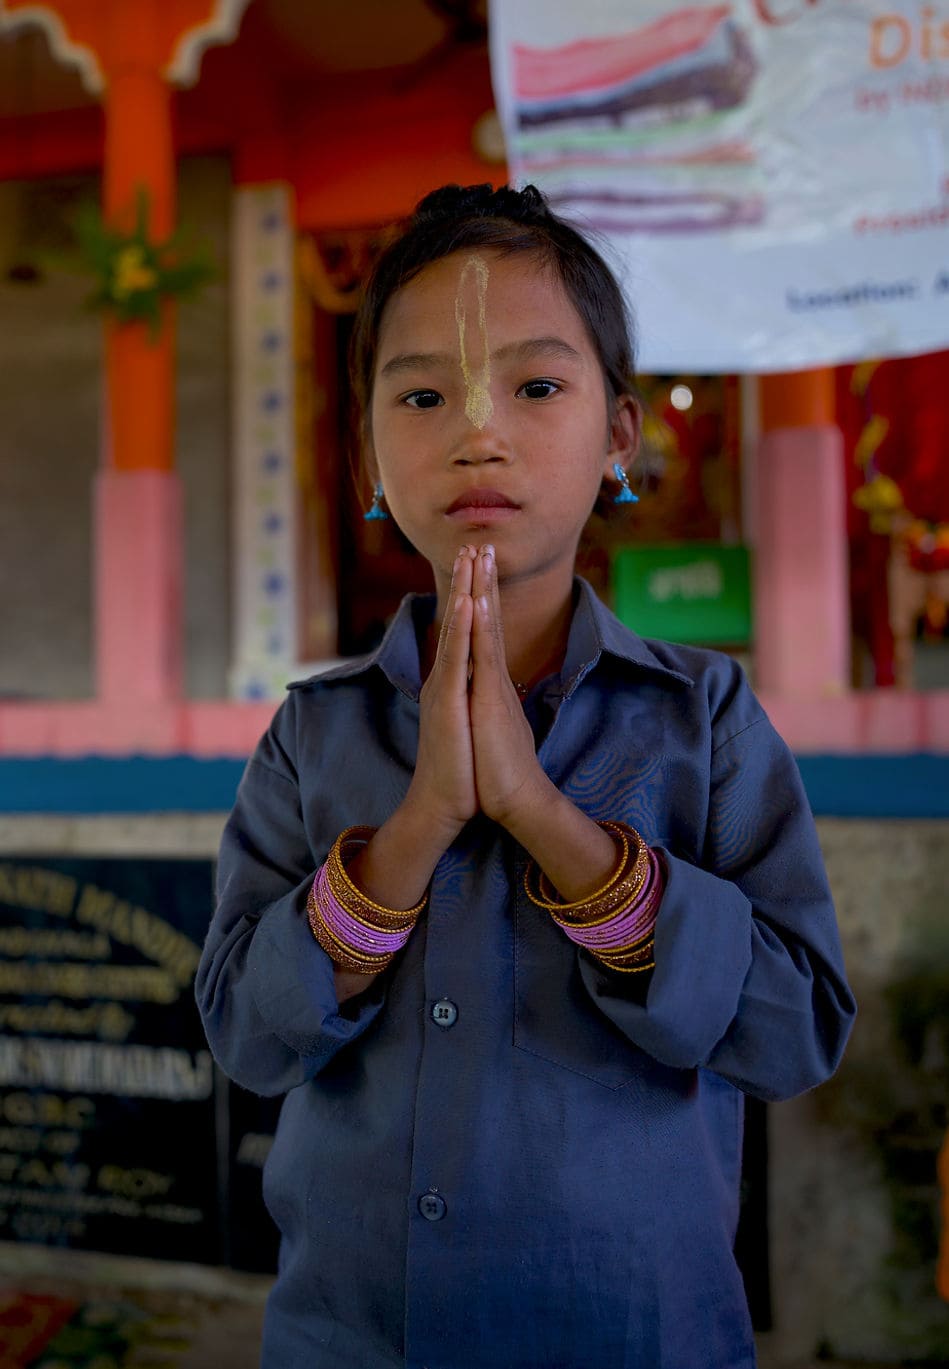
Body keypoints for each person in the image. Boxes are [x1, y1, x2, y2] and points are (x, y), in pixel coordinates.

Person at [196, 183, 855, 1369]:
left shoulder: (702, 724)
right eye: (422, 394)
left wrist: (549, 819)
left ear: (618, 436)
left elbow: (795, 1030)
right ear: (370, 451)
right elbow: (245, 1035)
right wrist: (419, 823)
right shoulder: (312, 737)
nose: (476, 432)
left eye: (537, 386)